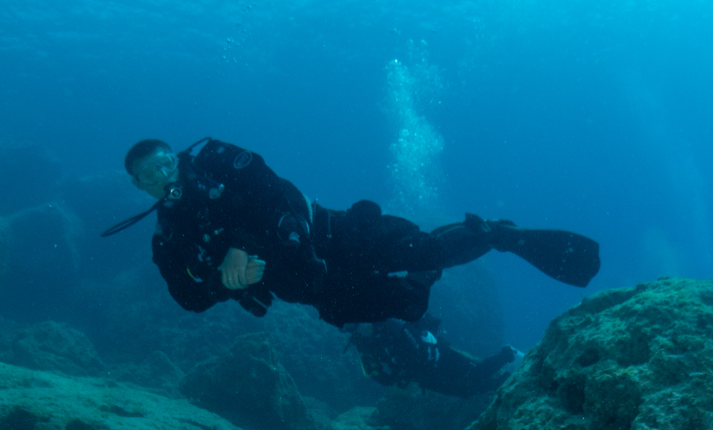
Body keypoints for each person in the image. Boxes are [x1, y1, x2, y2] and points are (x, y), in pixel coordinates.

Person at [103, 137, 601, 328]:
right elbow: (187, 296)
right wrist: (225, 284)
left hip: (333, 232)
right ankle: (425, 280)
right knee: (406, 304)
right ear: (138, 185)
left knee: (422, 247)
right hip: (310, 286)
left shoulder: (216, 160)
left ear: (177, 156)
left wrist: (243, 245)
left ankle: (497, 234)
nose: (165, 177)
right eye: (149, 175)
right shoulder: (168, 233)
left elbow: (282, 194)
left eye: (166, 162)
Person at [348, 316, 521, 398]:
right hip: (424, 377)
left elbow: (418, 348)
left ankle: (507, 355)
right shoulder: (368, 347)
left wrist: (404, 373)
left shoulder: (391, 326)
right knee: (465, 391)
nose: (361, 332)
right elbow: (387, 379)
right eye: (350, 329)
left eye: (360, 326)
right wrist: (378, 374)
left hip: (438, 356)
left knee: (474, 373)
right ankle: (505, 382)